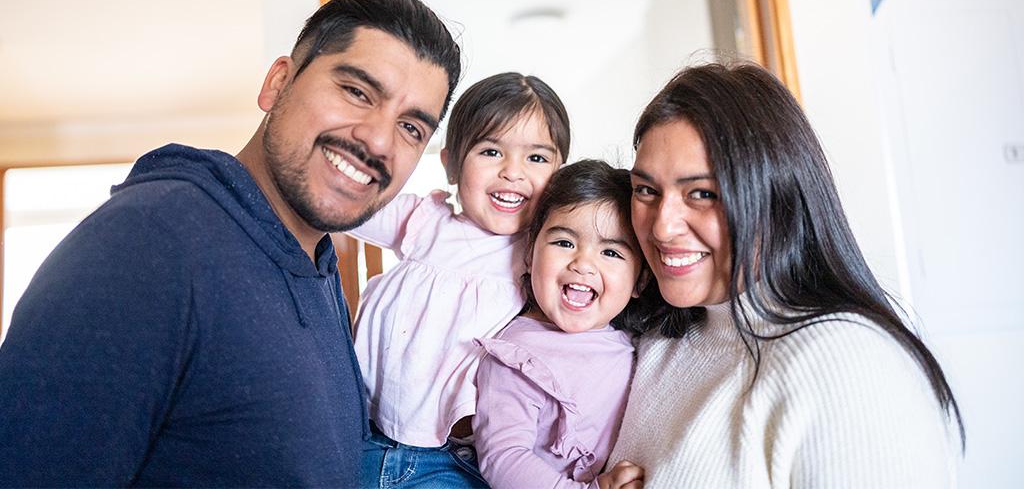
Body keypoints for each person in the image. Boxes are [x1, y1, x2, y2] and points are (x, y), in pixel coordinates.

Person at [0, 0, 460, 487]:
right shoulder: (151, 241)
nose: (378, 140)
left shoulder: (316, 268)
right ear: (278, 84)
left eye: (412, 128)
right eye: (356, 92)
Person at [608, 63, 963, 487]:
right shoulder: (656, 342)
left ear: (777, 195)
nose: (662, 226)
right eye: (646, 190)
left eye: (702, 194)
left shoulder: (847, 364)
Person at [349, 72, 570, 487]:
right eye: (491, 151)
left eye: (537, 158)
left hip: (457, 460)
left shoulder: (541, 254)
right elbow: (345, 202)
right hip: (364, 436)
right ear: (450, 165)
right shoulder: (424, 222)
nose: (512, 172)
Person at [472, 160, 648, 489]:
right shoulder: (517, 355)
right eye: (564, 243)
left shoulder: (638, 346)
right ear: (529, 255)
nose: (582, 263)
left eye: (611, 252)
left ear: (640, 280)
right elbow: (504, 457)